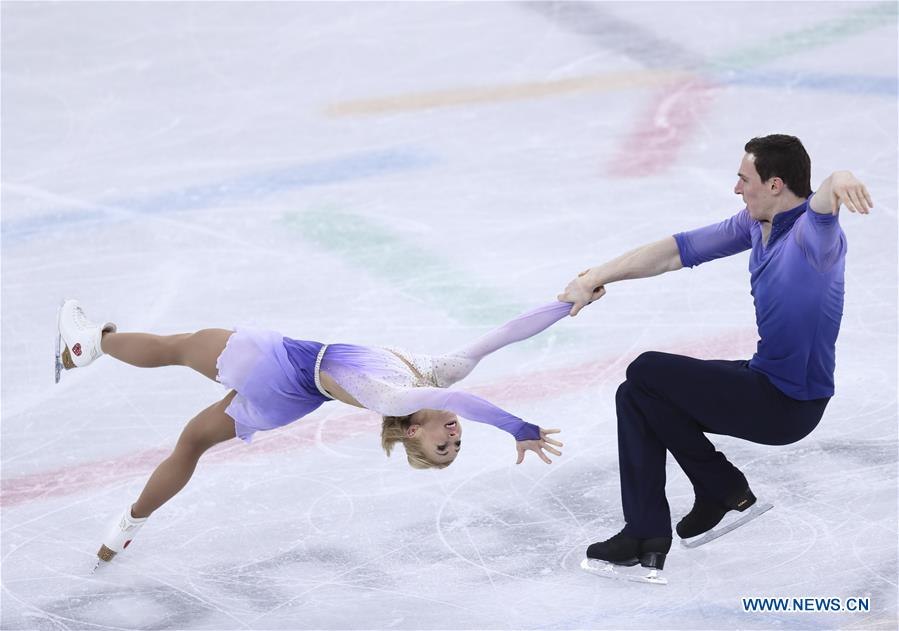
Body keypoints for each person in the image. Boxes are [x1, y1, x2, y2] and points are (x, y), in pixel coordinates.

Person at [558, 134, 873, 575]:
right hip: (762, 380)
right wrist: (596, 276)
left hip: (789, 404)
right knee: (636, 395)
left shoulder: (813, 239)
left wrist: (838, 178)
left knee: (647, 368)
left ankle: (722, 485)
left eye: (744, 179)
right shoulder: (754, 225)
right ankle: (647, 532)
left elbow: (823, 204)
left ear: (776, 184)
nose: (737, 189)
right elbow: (674, 252)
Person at [55, 299, 570, 563]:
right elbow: (503, 335)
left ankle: (88, 346)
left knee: (176, 347)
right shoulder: (435, 374)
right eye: (456, 443)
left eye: (441, 446)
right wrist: (569, 302)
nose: (454, 436)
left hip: (274, 365)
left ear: (413, 434)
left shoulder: (396, 400)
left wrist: (518, 426)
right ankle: (127, 528)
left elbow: (456, 401)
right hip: (295, 397)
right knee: (192, 443)